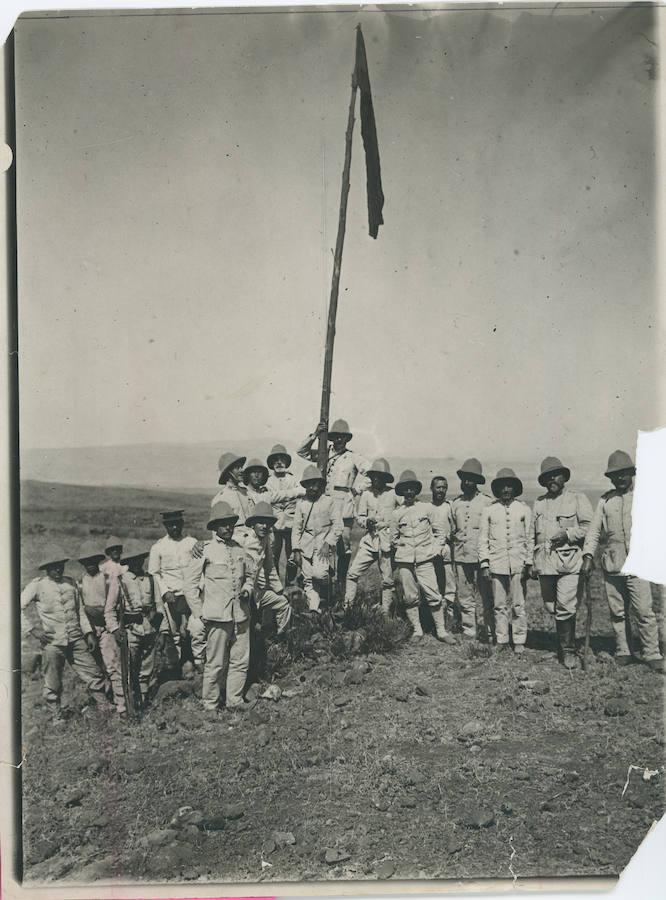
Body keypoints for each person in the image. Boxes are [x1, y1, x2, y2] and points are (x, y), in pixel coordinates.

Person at [581, 450, 664, 672]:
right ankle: (623, 650)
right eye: (615, 476)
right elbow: (593, 532)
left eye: (623, 474)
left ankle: (652, 652)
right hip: (613, 564)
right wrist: (588, 556)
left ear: (631, 474)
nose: (619, 479)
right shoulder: (605, 501)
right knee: (617, 612)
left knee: (644, 611)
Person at [183, 501, 256, 716]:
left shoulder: (239, 549)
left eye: (230, 524)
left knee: (240, 660)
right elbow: (190, 585)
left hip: (241, 615)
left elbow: (251, 575)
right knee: (215, 663)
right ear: (214, 526)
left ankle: (235, 700)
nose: (227, 528)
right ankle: (210, 705)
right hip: (217, 616)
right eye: (223, 524)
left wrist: (247, 590)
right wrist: (199, 613)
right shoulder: (205, 550)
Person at [20, 549, 110, 720]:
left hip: (76, 638)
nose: (58, 570)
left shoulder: (71, 584)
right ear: (47, 569)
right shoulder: (37, 585)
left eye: (60, 566)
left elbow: (80, 611)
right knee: (53, 680)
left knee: (93, 672)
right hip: (53, 642)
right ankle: (57, 716)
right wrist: (33, 631)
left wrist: (89, 633)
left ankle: (103, 706)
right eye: (53, 567)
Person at [528, 456, 593, 669]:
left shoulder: (577, 498)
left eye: (555, 475)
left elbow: (589, 528)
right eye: (547, 477)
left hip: (569, 562)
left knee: (565, 606)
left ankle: (568, 650)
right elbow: (531, 535)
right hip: (546, 565)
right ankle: (560, 645)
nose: (551, 480)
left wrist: (568, 534)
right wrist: (530, 562)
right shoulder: (539, 502)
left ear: (564, 477)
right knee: (550, 607)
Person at [297, 419, 369, 589]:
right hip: (324, 504)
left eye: (342, 437)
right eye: (335, 436)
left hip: (344, 505)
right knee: (323, 542)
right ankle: (323, 582)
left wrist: (356, 490)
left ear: (347, 439)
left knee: (343, 544)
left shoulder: (352, 457)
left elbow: (371, 473)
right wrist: (314, 435)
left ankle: (341, 582)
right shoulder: (323, 453)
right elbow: (301, 452)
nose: (338, 440)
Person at [389, 469, 456, 644]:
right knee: (410, 597)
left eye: (412, 489)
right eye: (406, 489)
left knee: (433, 593)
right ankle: (417, 631)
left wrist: (434, 549)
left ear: (416, 491)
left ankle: (441, 631)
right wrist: (403, 549)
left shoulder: (426, 508)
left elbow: (439, 531)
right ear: (402, 491)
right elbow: (394, 538)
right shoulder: (397, 514)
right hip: (405, 560)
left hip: (426, 559)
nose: (409, 492)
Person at [478, 468, 533, 654]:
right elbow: (483, 539)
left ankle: (519, 640)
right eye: (502, 486)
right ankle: (501, 639)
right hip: (497, 563)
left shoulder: (524, 509)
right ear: (498, 489)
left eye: (510, 486)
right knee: (499, 604)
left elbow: (530, 538)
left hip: (518, 564)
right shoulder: (489, 511)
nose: (506, 490)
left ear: (515, 488)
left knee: (518, 604)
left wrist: (528, 563)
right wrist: (485, 563)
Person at [105, 543, 163, 710]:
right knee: (129, 669)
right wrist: (115, 630)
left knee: (146, 668)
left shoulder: (151, 580)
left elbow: (159, 606)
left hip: (150, 629)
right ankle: (127, 705)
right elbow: (109, 610)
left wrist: (157, 622)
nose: (137, 564)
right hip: (131, 630)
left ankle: (143, 702)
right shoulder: (121, 581)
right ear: (128, 563)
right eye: (133, 561)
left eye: (139, 560)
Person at [147, 510, 205, 674]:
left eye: (177, 524)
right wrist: (165, 591)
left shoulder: (192, 543)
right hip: (171, 596)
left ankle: (197, 662)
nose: (174, 527)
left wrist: (198, 589)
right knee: (174, 633)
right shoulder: (158, 547)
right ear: (165, 526)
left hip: (192, 594)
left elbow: (202, 569)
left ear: (182, 524)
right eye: (170, 524)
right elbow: (154, 573)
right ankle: (178, 667)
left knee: (195, 629)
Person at [344, 458, 399, 614]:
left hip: (387, 542)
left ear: (385, 478)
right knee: (352, 573)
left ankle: (385, 613)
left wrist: (393, 526)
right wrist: (367, 521)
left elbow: (403, 513)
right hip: (370, 541)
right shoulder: (366, 495)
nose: (376, 479)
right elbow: (359, 517)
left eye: (380, 476)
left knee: (387, 580)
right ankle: (347, 607)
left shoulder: (393, 494)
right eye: (374, 476)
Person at [78, 541, 127, 714]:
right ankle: (104, 701)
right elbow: (81, 609)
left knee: (113, 664)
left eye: (93, 560)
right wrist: (89, 631)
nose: (90, 564)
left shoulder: (108, 579)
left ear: (99, 561)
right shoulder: (80, 583)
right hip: (90, 630)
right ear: (82, 564)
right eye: (86, 561)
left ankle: (122, 704)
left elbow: (113, 606)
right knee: (97, 666)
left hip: (107, 627)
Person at [451, 458, 494, 641]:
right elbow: (453, 529)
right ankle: (470, 629)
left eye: (470, 479)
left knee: (487, 595)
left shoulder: (487, 502)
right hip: (461, 555)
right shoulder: (456, 503)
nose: (466, 482)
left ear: (477, 481)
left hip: (481, 556)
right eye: (464, 479)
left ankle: (491, 630)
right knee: (464, 593)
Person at [290, 464, 343, 612]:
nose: (312, 488)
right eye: (309, 484)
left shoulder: (329, 501)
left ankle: (328, 588)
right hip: (305, 547)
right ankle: (315, 609)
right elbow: (296, 529)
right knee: (308, 581)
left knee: (319, 575)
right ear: (305, 485)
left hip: (323, 547)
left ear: (320, 485)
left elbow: (338, 525)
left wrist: (328, 543)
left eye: (315, 484)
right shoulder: (301, 504)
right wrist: (296, 549)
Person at [244, 501, 293, 635]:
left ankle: (281, 638)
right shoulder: (242, 540)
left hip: (258, 592)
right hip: (242, 593)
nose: (264, 526)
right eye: (260, 522)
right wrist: (201, 545)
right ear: (253, 524)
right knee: (246, 626)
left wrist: (279, 590)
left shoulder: (265, 540)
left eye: (268, 523)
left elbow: (270, 567)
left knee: (283, 603)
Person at [266, 444, 302, 578]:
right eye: (275, 460)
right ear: (271, 463)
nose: (279, 462)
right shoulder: (268, 482)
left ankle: (291, 585)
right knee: (272, 557)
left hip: (291, 525)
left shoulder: (294, 480)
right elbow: (268, 498)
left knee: (292, 557)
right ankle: (274, 588)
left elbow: (302, 495)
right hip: (274, 526)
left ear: (287, 462)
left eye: (282, 459)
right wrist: (293, 494)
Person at [428, 476, 458, 631]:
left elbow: (455, 528)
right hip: (431, 552)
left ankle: (450, 621)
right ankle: (434, 621)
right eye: (438, 487)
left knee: (449, 586)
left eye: (444, 487)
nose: (441, 490)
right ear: (432, 488)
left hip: (447, 551)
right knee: (433, 586)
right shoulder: (427, 508)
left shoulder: (450, 506)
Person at [210, 452, 254, 548]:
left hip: (254, 540)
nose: (242, 470)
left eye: (241, 467)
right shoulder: (220, 498)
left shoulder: (247, 493)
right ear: (228, 472)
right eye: (237, 468)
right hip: (236, 544)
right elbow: (216, 531)